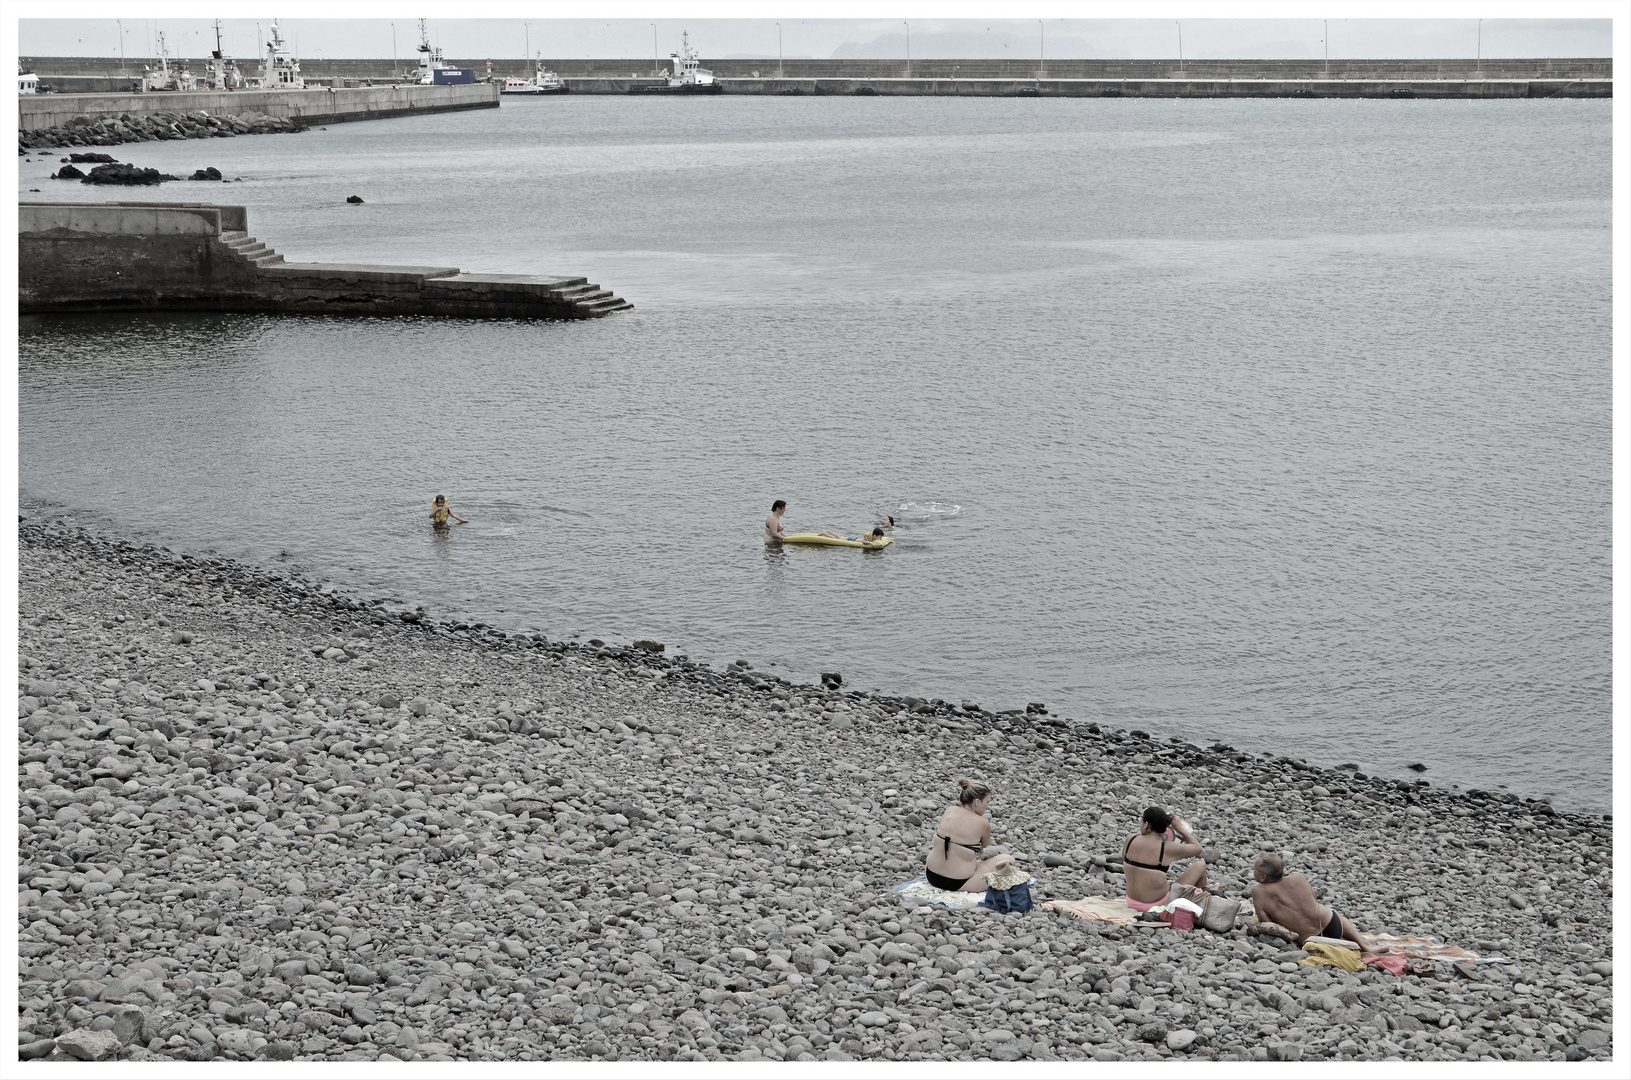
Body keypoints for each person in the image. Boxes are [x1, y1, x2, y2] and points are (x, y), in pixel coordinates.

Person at [1249, 853, 1382, 953]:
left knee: (1324, 936)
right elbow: (1314, 898)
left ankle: (1359, 945)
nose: (1252, 870)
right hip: (1332, 923)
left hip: (1309, 939)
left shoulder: (1259, 892)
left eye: (1254, 869)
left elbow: (1268, 924)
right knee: (1327, 911)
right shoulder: (1297, 877)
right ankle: (1362, 942)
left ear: (1263, 877)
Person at [923, 778, 1007, 892]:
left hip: (931, 875)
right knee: (1008, 860)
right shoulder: (983, 823)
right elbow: (984, 845)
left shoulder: (949, 810)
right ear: (977, 802)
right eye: (987, 802)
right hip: (958, 883)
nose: (987, 806)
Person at [1122, 806, 1206, 912]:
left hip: (1131, 901)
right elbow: (1198, 848)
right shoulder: (1167, 848)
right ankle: (1202, 906)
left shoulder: (1131, 839)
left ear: (1146, 824)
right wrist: (1179, 828)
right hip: (1158, 904)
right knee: (1200, 866)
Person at [817, 528, 886, 543]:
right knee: (838, 539)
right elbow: (863, 542)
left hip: (854, 537)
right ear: (874, 536)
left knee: (840, 536)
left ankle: (830, 532)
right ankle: (825, 533)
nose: (880, 539)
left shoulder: (873, 538)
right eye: (880, 537)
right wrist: (870, 542)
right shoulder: (869, 538)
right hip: (853, 539)